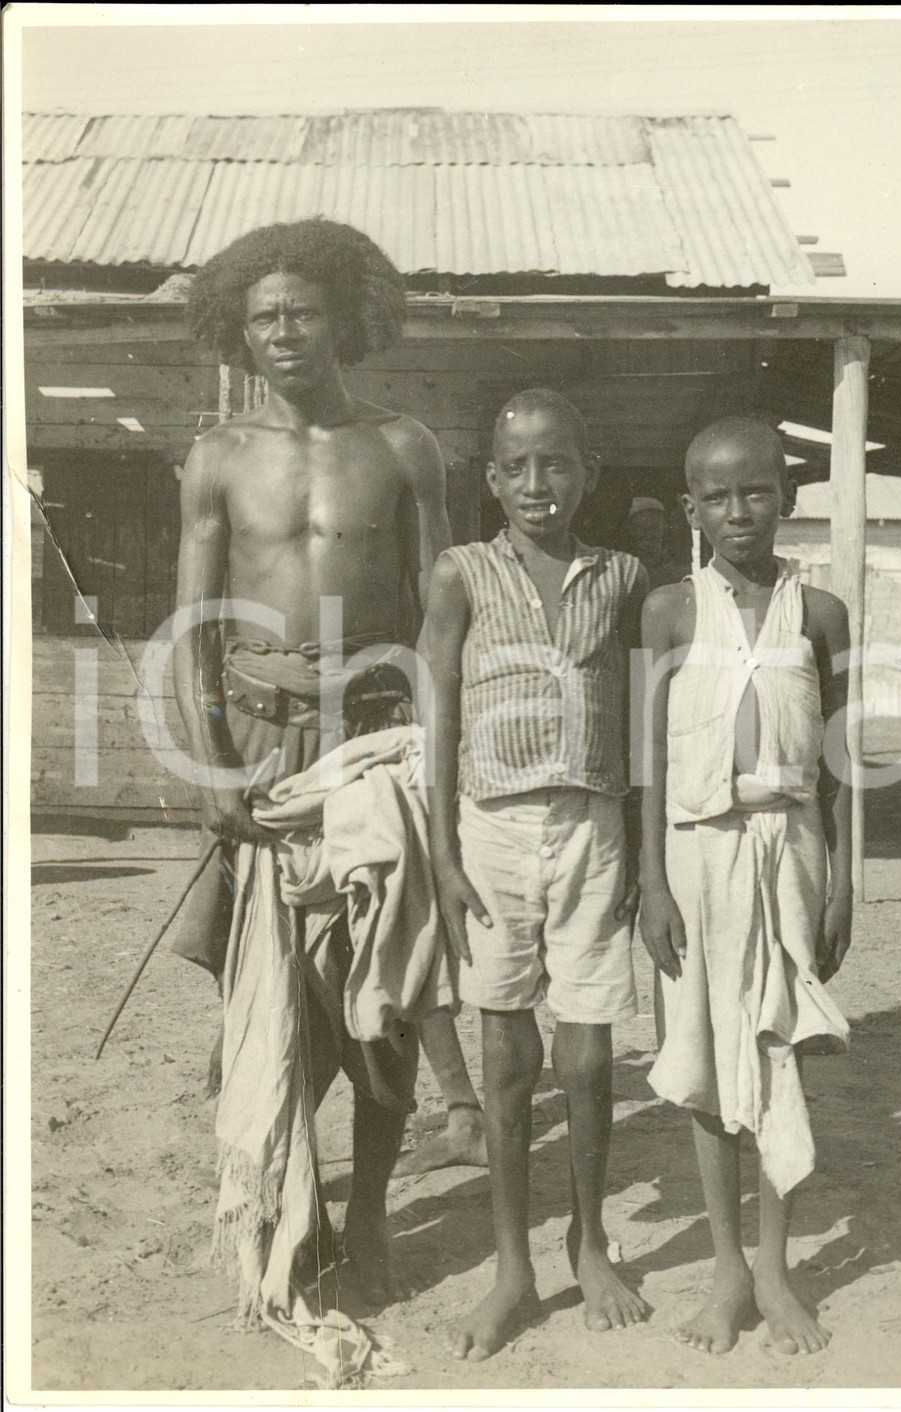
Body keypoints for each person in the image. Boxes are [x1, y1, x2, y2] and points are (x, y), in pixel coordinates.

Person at [172, 217, 478, 1312]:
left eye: (303, 312)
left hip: (375, 742)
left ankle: (373, 1213)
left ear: (344, 320)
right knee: (275, 994)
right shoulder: (217, 457)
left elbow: (443, 621)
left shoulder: (403, 447)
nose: (285, 332)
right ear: (239, 332)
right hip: (259, 746)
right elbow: (194, 625)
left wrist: (437, 767)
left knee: (382, 989)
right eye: (264, 318)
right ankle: (290, 1207)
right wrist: (213, 770)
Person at [424, 387, 650, 1361]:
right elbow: (436, 708)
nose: (535, 483)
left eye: (554, 462)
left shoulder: (623, 575)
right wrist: (441, 849)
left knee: (588, 1055)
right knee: (508, 1053)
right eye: (514, 466)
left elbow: (641, 713)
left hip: (594, 822)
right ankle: (512, 1268)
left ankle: (588, 1241)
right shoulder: (461, 573)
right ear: (490, 479)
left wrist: (640, 840)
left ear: (588, 472)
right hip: (491, 829)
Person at [638, 417, 853, 1357]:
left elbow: (841, 764)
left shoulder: (822, 613)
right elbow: (649, 763)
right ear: (691, 509)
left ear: (788, 498)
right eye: (717, 497)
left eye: (757, 491)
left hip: (792, 849)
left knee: (776, 1046)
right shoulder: (669, 611)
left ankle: (774, 1265)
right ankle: (727, 1267)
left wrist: (845, 883)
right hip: (697, 856)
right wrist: (651, 881)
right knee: (703, 1052)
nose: (739, 511)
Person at [628, 495, 689, 588]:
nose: (648, 534)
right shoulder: (628, 566)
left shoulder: (678, 562)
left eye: (654, 527)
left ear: (664, 527)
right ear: (631, 530)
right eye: (641, 527)